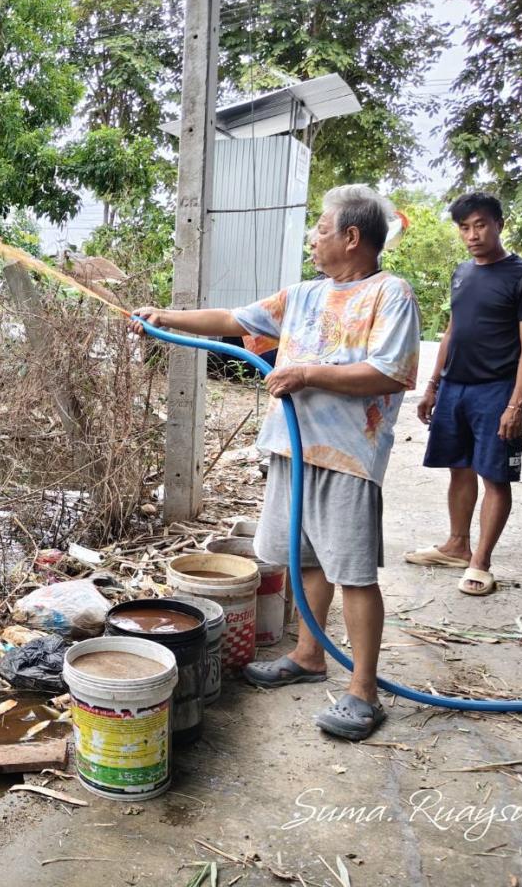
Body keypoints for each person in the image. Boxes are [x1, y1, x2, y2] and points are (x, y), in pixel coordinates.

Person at [132, 185, 421, 741]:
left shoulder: (390, 294)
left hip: (348, 456)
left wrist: (307, 373)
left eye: (321, 229)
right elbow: (230, 318)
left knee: (353, 573)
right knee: (304, 559)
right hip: (290, 447)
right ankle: (309, 655)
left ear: (351, 237)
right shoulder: (304, 296)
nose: (314, 238)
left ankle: (364, 691)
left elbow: (391, 372)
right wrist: (160, 316)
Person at [403, 191, 522, 596]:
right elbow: (451, 330)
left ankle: (481, 562)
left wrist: (516, 404)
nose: (472, 234)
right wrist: (433, 385)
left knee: (494, 475)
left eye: (480, 224)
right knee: (458, 467)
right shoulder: (462, 272)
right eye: (464, 227)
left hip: (497, 390)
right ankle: (456, 545)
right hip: (455, 387)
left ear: (499, 224)